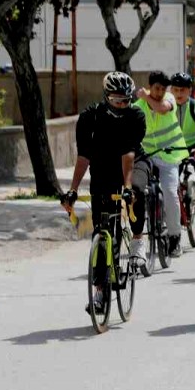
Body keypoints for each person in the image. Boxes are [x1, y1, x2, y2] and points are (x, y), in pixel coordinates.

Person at [62, 72, 146, 313]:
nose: (122, 105)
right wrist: (72, 190)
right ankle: (99, 292)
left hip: (134, 163)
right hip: (103, 169)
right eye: (117, 100)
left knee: (137, 191)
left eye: (126, 100)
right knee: (100, 231)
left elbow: (128, 154)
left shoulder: (135, 116)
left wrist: (127, 189)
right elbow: (83, 156)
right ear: (106, 97)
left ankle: (138, 240)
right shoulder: (90, 116)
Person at [133, 71, 186, 258]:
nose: (160, 92)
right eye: (156, 88)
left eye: (163, 89)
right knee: (139, 190)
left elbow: (162, 109)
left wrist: (145, 96)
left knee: (170, 192)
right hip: (147, 157)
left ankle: (174, 236)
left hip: (169, 157)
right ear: (150, 86)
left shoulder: (169, 99)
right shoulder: (138, 106)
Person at [169, 72, 195, 212]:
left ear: (190, 90)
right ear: (171, 90)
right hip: (175, 147)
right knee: (171, 178)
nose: (179, 93)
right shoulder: (166, 106)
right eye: (175, 90)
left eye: (182, 90)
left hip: (194, 146)